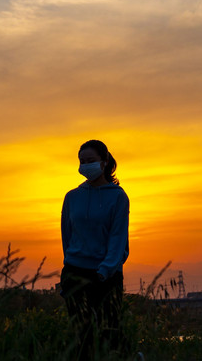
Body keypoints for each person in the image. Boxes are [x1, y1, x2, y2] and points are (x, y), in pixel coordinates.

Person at [60, 139, 130, 360]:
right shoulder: (72, 197)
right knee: (82, 337)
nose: (85, 165)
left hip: (105, 276)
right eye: (82, 161)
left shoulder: (118, 197)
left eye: (90, 160)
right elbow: (67, 235)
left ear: (104, 161)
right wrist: (69, 270)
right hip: (75, 273)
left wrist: (106, 269)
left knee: (110, 334)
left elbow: (118, 238)